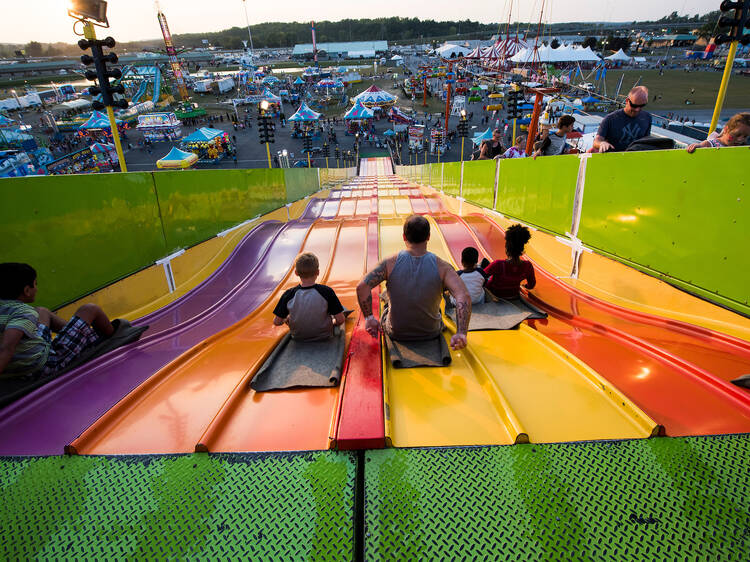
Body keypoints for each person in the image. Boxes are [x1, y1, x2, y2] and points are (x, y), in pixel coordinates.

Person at [356, 215, 470, 350]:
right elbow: (464, 296)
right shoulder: (443, 267)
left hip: (396, 332)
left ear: (404, 237)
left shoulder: (389, 263)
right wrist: (461, 333)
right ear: (428, 236)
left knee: (388, 298)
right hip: (431, 332)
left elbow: (362, 287)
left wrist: (369, 318)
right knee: (438, 304)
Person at [0, 263, 115, 379]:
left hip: (18, 362)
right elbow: (7, 347)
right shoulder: (23, 312)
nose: (37, 288)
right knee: (90, 309)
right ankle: (114, 338)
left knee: (41, 311)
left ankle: (84, 337)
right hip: (41, 366)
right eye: (35, 284)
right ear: (27, 291)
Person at [273, 253, 345, 342]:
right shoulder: (327, 292)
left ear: (296, 273)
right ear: (318, 272)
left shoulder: (288, 294)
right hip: (324, 335)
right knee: (336, 312)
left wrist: (286, 319)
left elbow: (277, 322)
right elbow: (340, 320)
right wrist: (333, 322)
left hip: (298, 337)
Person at [484, 224, 536, 300]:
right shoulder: (527, 266)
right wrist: (524, 286)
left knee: (483, 265)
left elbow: (478, 277)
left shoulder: (498, 264)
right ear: (522, 248)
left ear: (507, 247)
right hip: (513, 295)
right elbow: (531, 285)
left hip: (494, 295)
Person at [593, 86, 652, 152]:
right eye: (634, 106)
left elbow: (646, 141)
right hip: (614, 158)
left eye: (641, 106)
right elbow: (596, 141)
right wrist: (602, 143)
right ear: (627, 101)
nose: (637, 109)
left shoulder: (647, 118)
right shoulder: (610, 119)